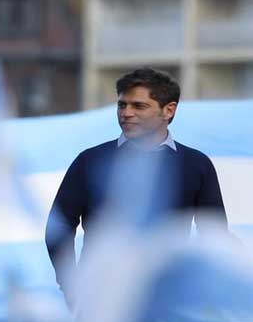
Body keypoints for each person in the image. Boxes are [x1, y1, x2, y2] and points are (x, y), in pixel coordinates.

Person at [45, 67, 227, 309]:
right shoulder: (91, 161)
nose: (126, 113)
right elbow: (59, 225)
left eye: (139, 106)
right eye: (122, 105)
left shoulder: (196, 165)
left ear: (168, 110)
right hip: (102, 301)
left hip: (171, 302)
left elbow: (214, 235)